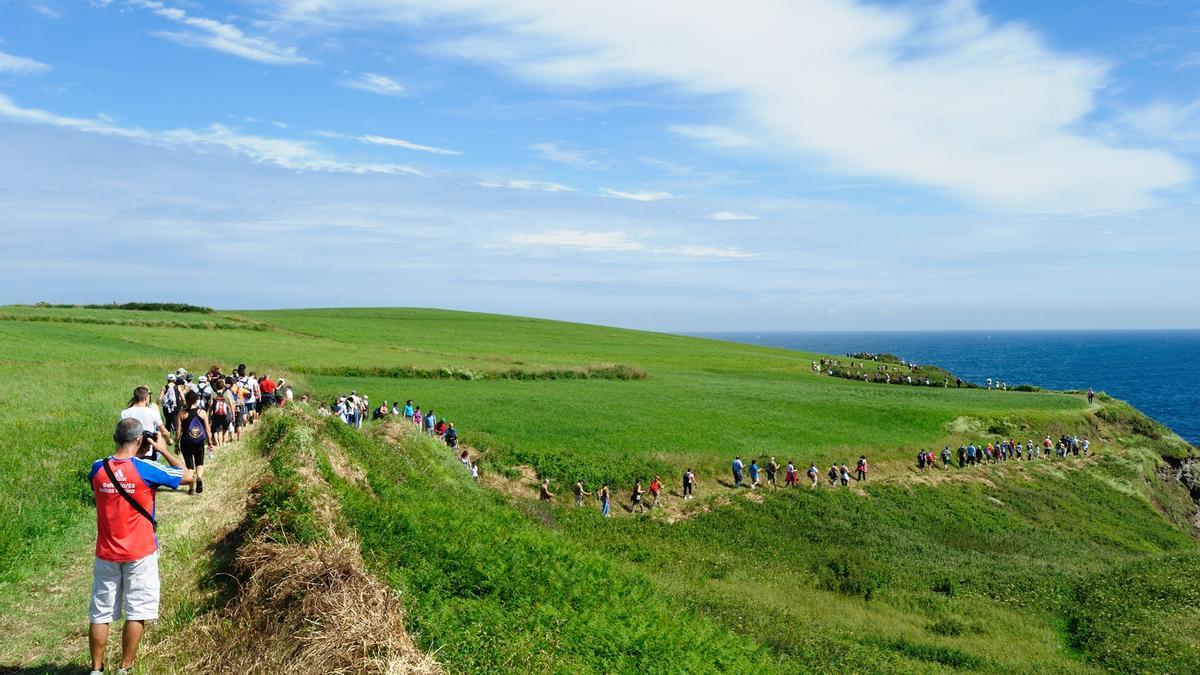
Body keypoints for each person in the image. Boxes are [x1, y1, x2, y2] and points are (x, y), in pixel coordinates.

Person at [89, 418, 192, 675]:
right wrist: (162, 449)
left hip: (106, 551)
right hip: (140, 551)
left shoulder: (97, 469)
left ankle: (96, 669)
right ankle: (125, 668)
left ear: (116, 437)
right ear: (139, 440)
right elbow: (188, 476)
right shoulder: (146, 469)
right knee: (136, 610)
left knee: (100, 612)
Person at [177, 391, 211, 495]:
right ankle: (199, 478)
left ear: (186, 400)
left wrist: (176, 444)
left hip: (186, 441)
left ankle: (191, 488)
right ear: (196, 400)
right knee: (199, 463)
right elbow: (207, 429)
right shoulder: (202, 412)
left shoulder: (182, 414)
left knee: (189, 466)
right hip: (199, 441)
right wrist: (209, 442)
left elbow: (178, 431)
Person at [121, 387, 169, 453]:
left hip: (130, 451)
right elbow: (164, 432)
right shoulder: (152, 412)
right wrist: (169, 441)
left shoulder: (124, 413)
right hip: (147, 450)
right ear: (146, 398)